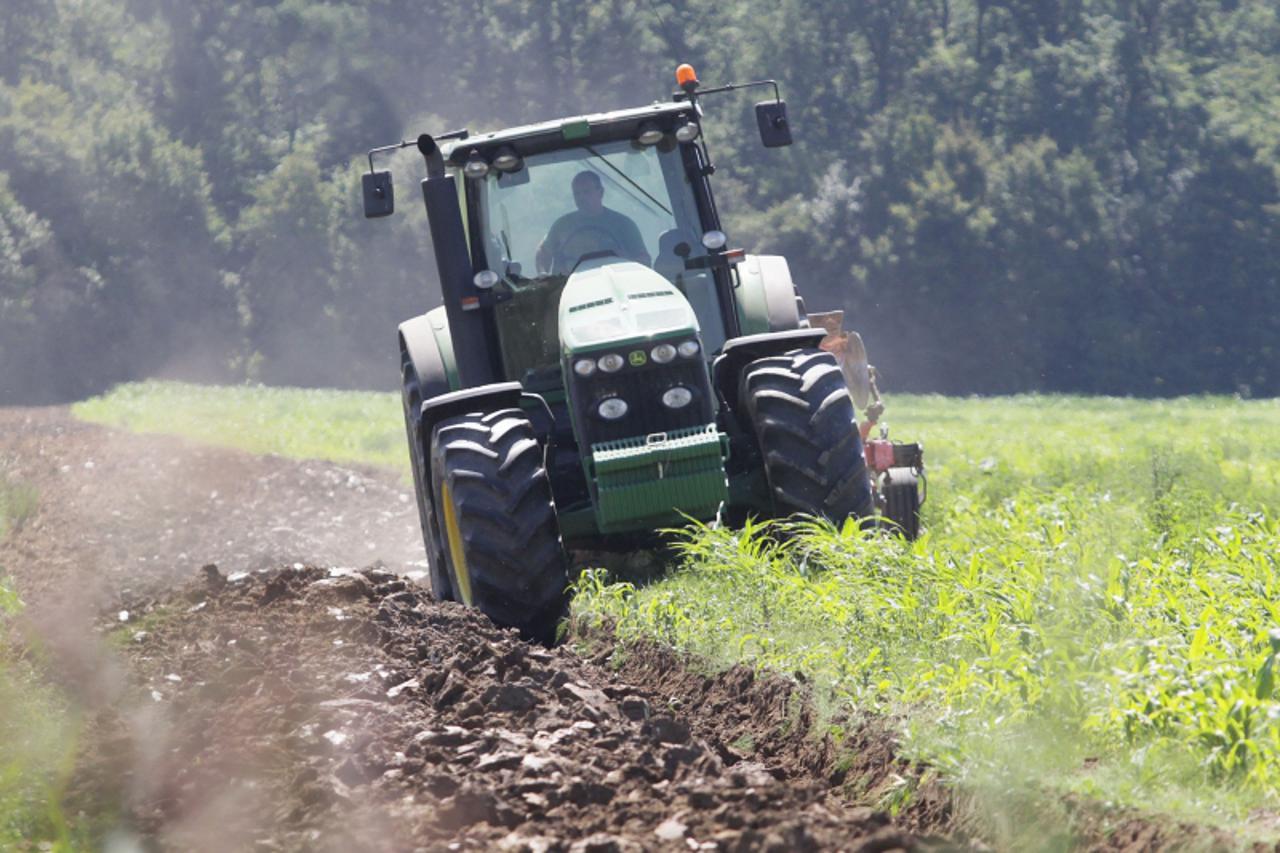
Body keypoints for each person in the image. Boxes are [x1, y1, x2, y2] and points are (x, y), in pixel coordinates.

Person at [535, 170, 651, 274]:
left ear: (600, 193)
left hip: (615, 283)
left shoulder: (624, 224)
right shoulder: (561, 226)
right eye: (577, 194)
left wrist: (624, 260)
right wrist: (543, 274)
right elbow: (544, 252)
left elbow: (644, 260)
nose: (581, 197)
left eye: (586, 192)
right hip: (568, 289)